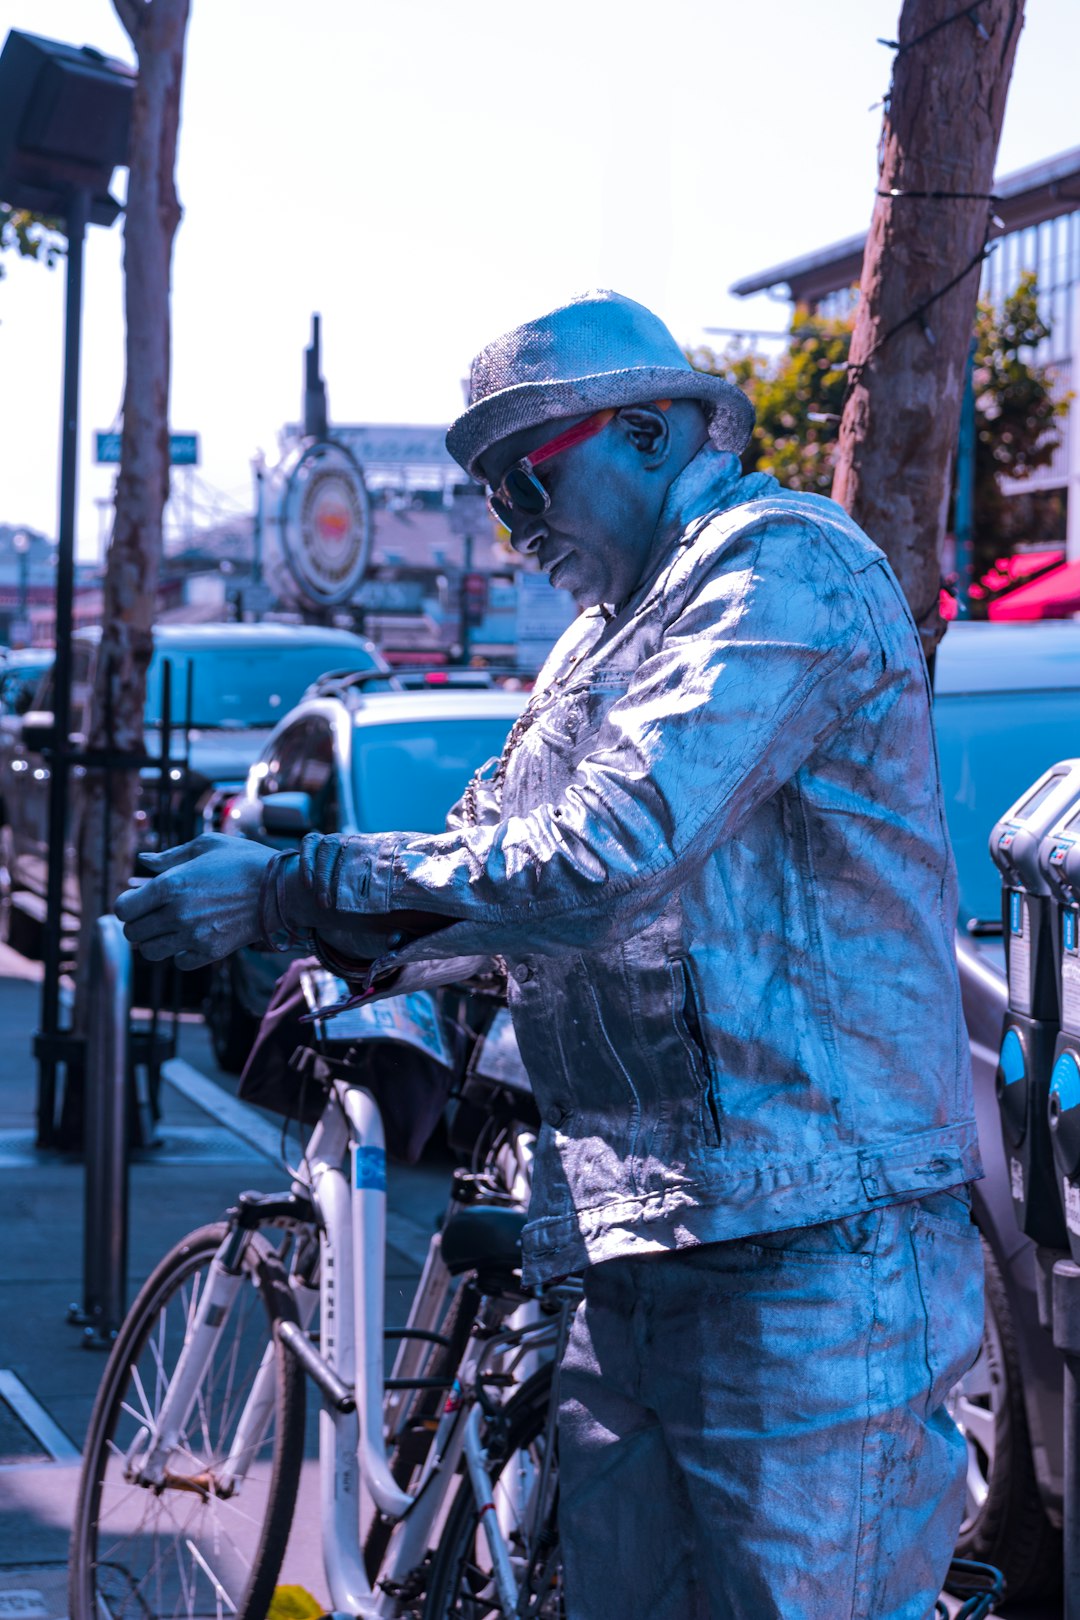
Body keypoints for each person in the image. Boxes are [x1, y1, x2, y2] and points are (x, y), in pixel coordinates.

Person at [117, 289, 984, 1619]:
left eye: (527, 480)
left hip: (812, 1245)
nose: (513, 530)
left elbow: (604, 854)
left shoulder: (781, 568)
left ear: (650, 432)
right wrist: (331, 939)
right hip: (636, 1239)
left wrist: (293, 886)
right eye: (487, 499)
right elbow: (493, 851)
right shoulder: (598, 642)